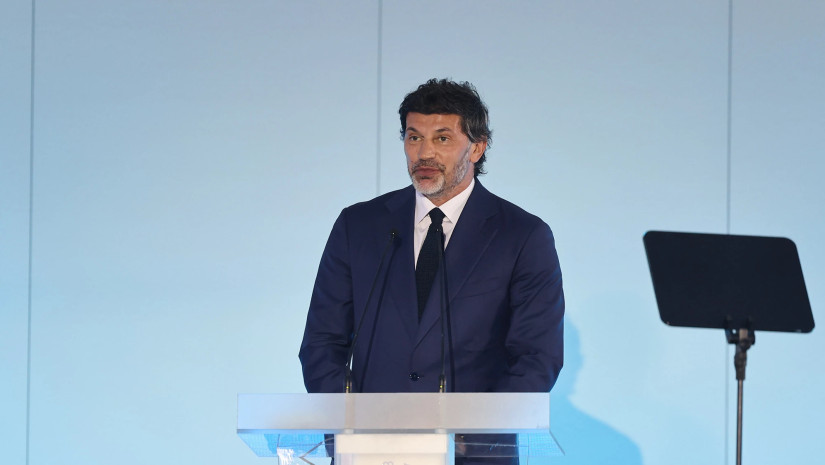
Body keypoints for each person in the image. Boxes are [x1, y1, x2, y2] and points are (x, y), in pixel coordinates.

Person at [299, 78, 564, 461]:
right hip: (370, 452)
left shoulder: (522, 235)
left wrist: (475, 432)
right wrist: (348, 424)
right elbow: (322, 342)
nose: (424, 153)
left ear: (477, 147)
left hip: (470, 453)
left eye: (442, 138)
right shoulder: (359, 226)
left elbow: (536, 358)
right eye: (413, 137)